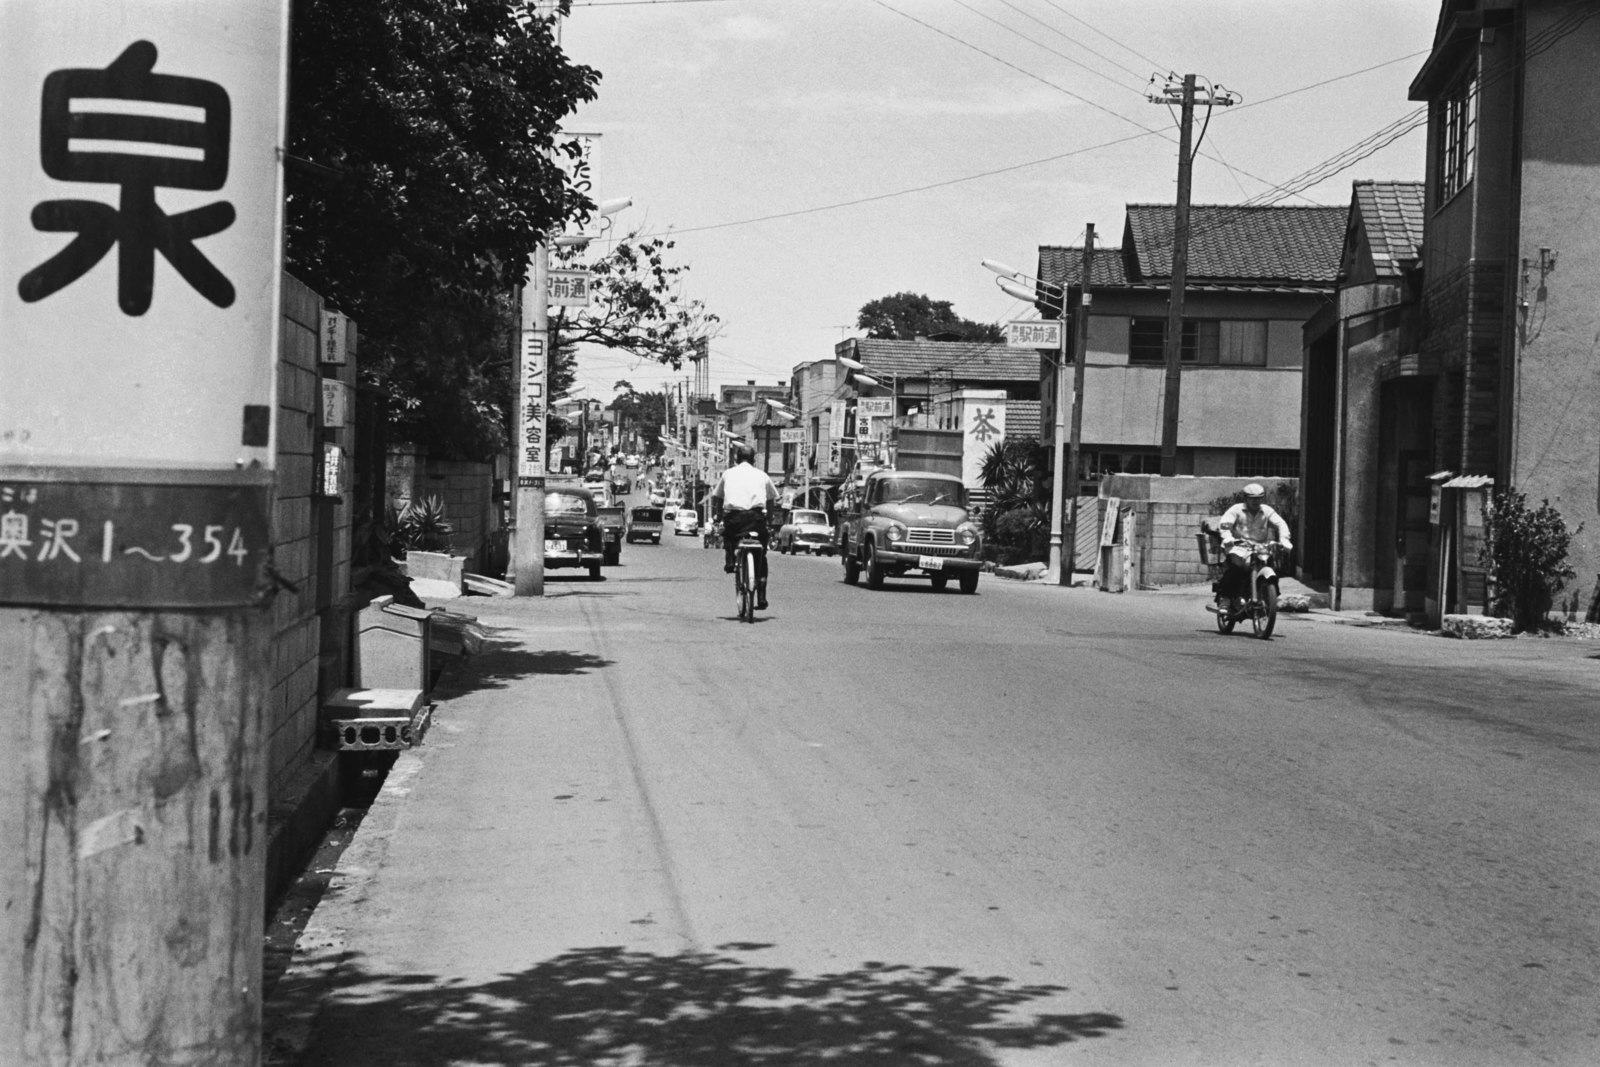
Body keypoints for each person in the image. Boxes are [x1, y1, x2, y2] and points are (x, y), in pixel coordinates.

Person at [711, 443, 779, 609]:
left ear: (736, 458)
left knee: (728, 535)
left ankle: (730, 560)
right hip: (756, 520)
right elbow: (771, 499)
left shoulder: (728, 474)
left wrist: (718, 517)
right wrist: (769, 520)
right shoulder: (762, 475)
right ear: (754, 459)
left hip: (734, 520)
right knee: (762, 555)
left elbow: (718, 497)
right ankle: (761, 595)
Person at [1217, 483, 1292, 600]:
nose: (1255, 501)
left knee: (1270, 566)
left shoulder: (1267, 511)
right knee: (1236, 568)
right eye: (1252, 498)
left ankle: (1272, 597)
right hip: (1238, 547)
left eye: (1258, 498)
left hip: (1259, 547)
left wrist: (1284, 539)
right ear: (1245, 498)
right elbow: (1225, 525)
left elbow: (1281, 524)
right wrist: (1228, 538)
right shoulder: (1235, 510)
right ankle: (1226, 599)